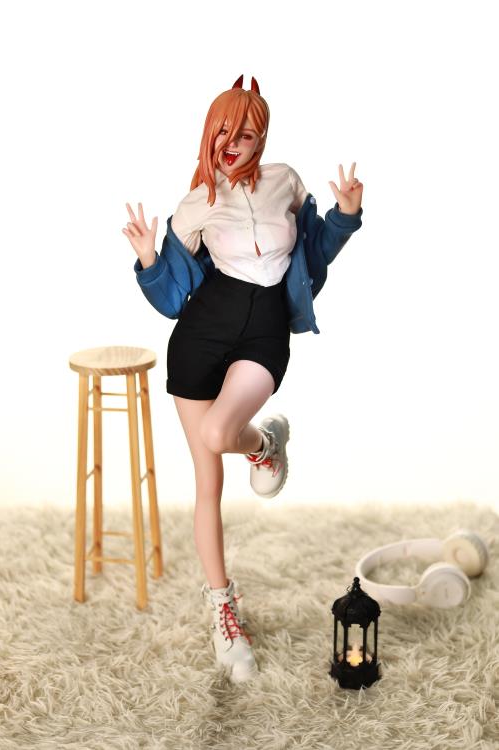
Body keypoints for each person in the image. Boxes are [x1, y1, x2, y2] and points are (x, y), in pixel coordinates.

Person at [122, 74, 364, 684]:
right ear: (210, 134)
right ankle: (223, 613)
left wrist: (346, 214)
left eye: (247, 135)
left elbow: (315, 250)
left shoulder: (286, 181)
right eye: (224, 133)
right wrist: (149, 257)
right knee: (208, 483)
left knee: (218, 433)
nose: (233, 145)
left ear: (263, 138)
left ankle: (263, 442)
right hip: (200, 336)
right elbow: (172, 299)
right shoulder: (196, 203)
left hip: (264, 330)